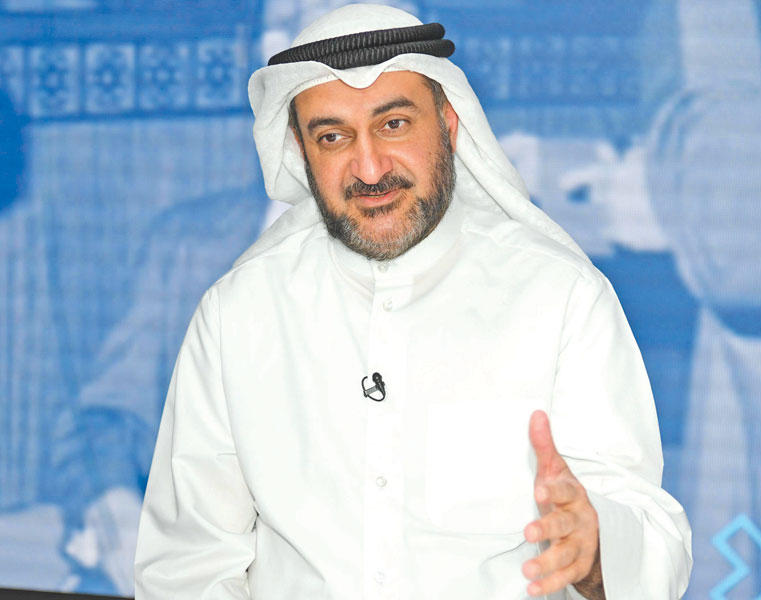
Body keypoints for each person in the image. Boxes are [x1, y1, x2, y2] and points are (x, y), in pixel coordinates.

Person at [134, 4, 692, 599]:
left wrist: (597, 549)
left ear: (448, 123)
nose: (369, 167)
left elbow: (654, 540)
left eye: (394, 124)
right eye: (333, 136)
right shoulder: (238, 313)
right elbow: (187, 568)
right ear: (300, 149)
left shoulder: (560, 295)